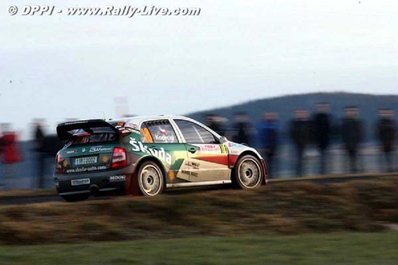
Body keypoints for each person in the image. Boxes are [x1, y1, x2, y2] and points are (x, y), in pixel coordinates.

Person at [341, 106, 364, 173]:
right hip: (347, 144)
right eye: (349, 111)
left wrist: (360, 143)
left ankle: (357, 172)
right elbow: (343, 134)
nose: (351, 112)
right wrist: (344, 143)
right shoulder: (344, 122)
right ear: (346, 112)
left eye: (353, 111)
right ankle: (349, 172)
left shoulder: (358, 122)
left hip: (356, 144)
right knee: (347, 160)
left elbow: (360, 133)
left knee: (357, 159)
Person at [289, 109, 312, 177]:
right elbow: (292, 134)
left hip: (307, 144)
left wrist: (309, 142)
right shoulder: (294, 123)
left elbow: (312, 133)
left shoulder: (309, 123)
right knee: (298, 160)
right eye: (299, 113)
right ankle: (298, 174)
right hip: (297, 145)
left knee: (307, 161)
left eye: (303, 113)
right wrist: (296, 142)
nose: (301, 114)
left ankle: (305, 174)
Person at [312, 102, 332, 175]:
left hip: (328, 141)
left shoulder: (329, 117)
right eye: (321, 107)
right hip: (318, 142)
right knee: (320, 160)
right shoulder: (315, 118)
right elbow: (313, 130)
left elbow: (332, 129)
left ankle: (326, 173)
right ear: (318, 108)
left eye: (324, 107)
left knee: (327, 159)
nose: (323, 108)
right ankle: (320, 173)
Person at [257, 112, 279, 177]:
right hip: (265, 147)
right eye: (267, 116)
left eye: (271, 116)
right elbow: (261, 137)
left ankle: (272, 176)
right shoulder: (262, 126)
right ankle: (265, 176)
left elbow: (277, 138)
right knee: (265, 163)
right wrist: (263, 147)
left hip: (274, 147)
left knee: (273, 163)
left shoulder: (275, 126)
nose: (269, 117)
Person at [33, 119, 46, 188]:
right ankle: (41, 185)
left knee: (40, 170)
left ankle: (40, 185)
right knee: (41, 170)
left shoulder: (36, 132)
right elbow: (41, 141)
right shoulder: (39, 132)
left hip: (40, 152)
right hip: (42, 152)